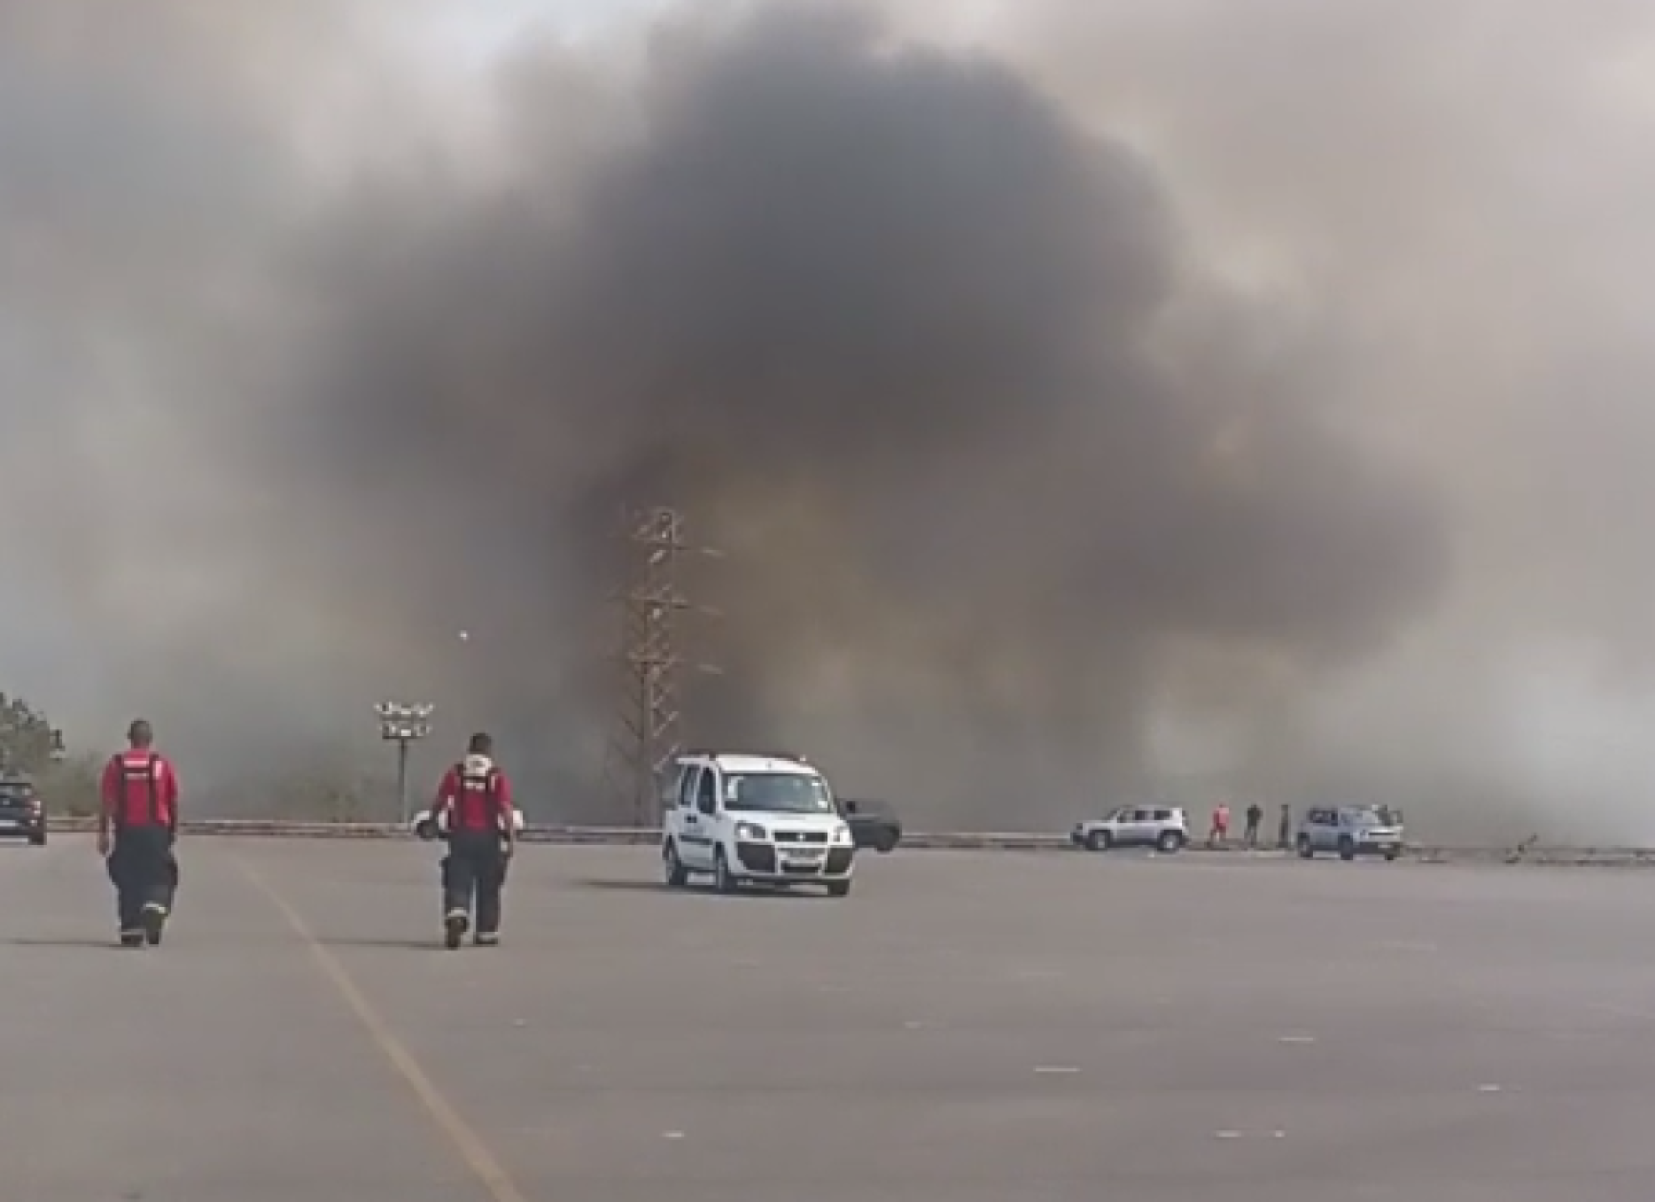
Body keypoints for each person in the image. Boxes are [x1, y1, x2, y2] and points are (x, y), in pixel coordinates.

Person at [97, 719, 180, 948]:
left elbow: (108, 802)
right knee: (161, 876)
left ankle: (131, 927)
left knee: (128, 878)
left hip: (127, 832)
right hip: (155, 830)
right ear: (150, 739)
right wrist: (172, 829)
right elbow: (172, 800)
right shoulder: (162, 765)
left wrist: (103, 833)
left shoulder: (116, 765)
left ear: (130, 738)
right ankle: (155, 907)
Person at [431, 732, 517, 949]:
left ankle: (457, 913)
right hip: (488, 837)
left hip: (460, 835)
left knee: (458, 879)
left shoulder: (456, 773)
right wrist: (511, 837)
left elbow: (441, 800)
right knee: (489, 885)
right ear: (489, 751)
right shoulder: (496, 776)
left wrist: (433, 820)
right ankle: (486, 932)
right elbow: (505, 809)